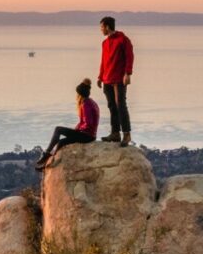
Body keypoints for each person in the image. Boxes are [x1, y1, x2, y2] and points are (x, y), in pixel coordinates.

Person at [36, 78, 100, 170]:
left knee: (58, 129)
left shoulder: (86, 104)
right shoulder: (91, 102)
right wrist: (77, 128)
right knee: (61, 142)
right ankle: (47, 163)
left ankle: (46, 154)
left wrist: (78, 130)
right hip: (89, 134)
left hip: (87, 136)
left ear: (79, 94)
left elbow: (88, 124)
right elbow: (83, 122)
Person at [97, 16, 134, 145]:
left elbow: (130, 57)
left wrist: (127, 73)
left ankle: (127, 134)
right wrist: (100, 77)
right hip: (107, 79)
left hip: (119, 79)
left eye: (101, 27)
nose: (101, 30)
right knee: (112, 107)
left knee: (121, 106)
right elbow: (103, 61)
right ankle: (115, 133)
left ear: (107, 27)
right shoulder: (105, 43)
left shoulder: (123, 40)